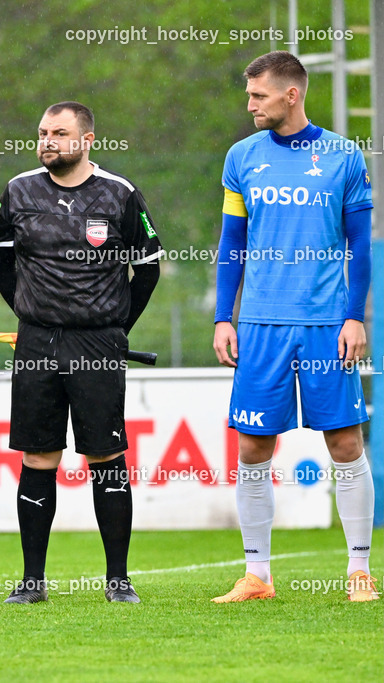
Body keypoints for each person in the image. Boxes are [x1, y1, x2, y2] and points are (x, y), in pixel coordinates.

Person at [212, 51, 376, 602]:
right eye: (249, 95)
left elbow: (360, 245)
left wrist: (355, 316)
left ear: (292, 95)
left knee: (346, 442)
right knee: (253, 447)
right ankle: (257, 575)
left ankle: (359, 570)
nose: (251, 104)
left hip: (327, 323)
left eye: (259, 96)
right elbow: (232, 244)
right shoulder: (242, 157)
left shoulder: (344, 157)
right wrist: (222, 317)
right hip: (259, 325)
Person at [0, 101, 162, 604]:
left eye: (59, 133)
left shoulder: (120, 194)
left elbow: (147, 269)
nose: (47, 140)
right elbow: (1, 264)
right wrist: (30, 310)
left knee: (105, 454)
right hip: (37, 341)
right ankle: (31, 582)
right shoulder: (18, 191)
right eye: (42, 132)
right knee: (38, 455)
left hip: (98, 343)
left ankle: (118, 581)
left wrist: (114, 328)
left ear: (86, 139)